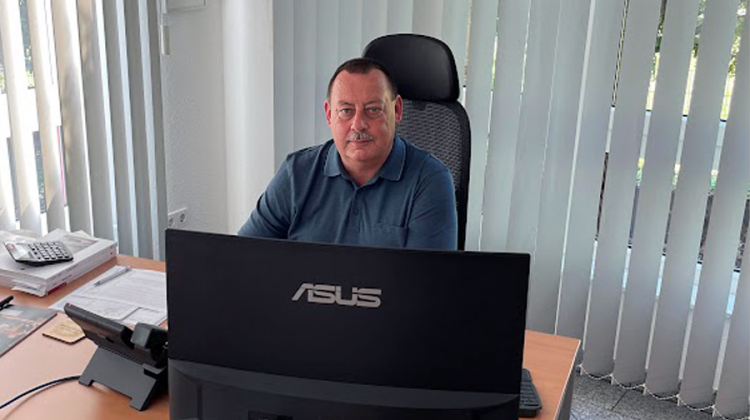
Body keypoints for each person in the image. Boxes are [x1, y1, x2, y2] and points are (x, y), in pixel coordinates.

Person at [238, 58, 457, 250]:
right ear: (329, 114)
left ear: (397, 110)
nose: (358, 124)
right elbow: (245, 256)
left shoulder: (430, 180)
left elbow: (426, 279)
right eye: (346, 111)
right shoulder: (296, 173)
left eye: (373, 109)